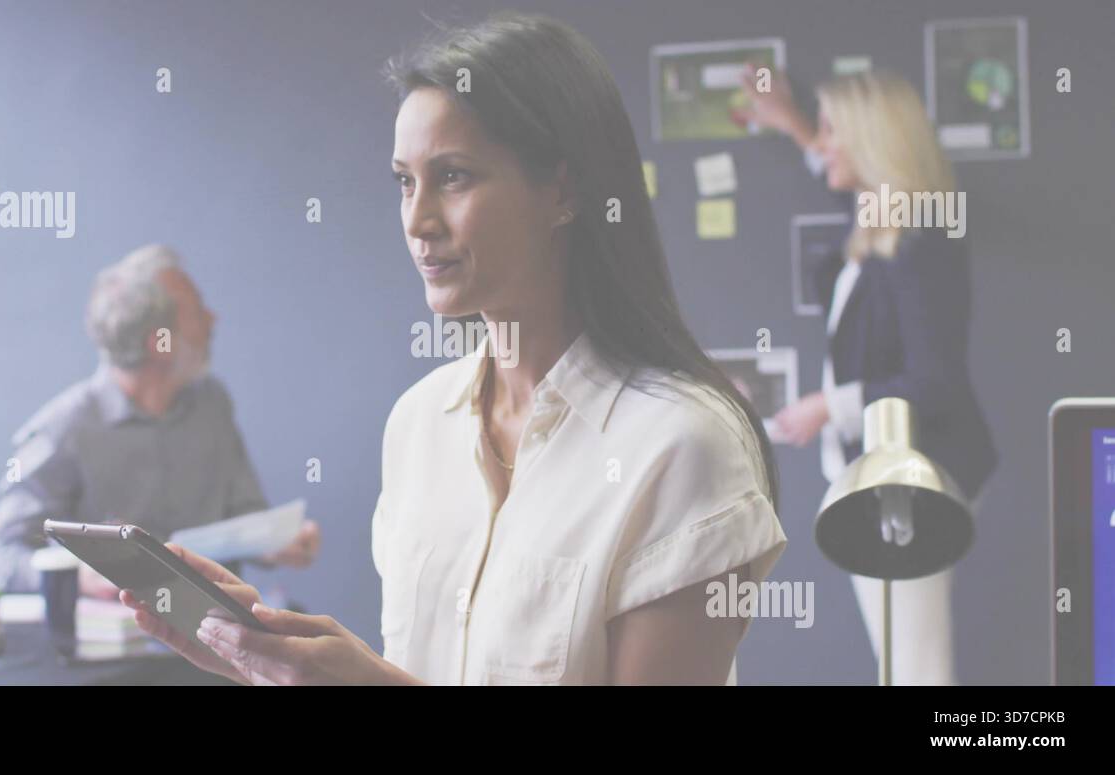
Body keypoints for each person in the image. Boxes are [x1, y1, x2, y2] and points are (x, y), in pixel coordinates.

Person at [124, 12, 787, 685]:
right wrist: (266, 664)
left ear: (561, 190)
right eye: (405, 182)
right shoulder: (416, 425)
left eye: (454, 177)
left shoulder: (681, 444)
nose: (417, 220)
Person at [738, 68, 997, 684]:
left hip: (915, 481)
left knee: (915, 667)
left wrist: (830, 405)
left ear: (871, 138)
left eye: (832, 131)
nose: (824, 145)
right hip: (887, 475)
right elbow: (846, 185)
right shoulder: (886, 226)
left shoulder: (919, 245)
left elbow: (934, 383)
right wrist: (798, 126)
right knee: (901, 658)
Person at [0, 244, 320, 598]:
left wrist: (277, 540)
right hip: (115, 643)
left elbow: (247, 513)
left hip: (214, 633)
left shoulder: (213, 405)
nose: (212, 319)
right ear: (159, 343)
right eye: (197, 310)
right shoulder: (64, 428)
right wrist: (80, 578)